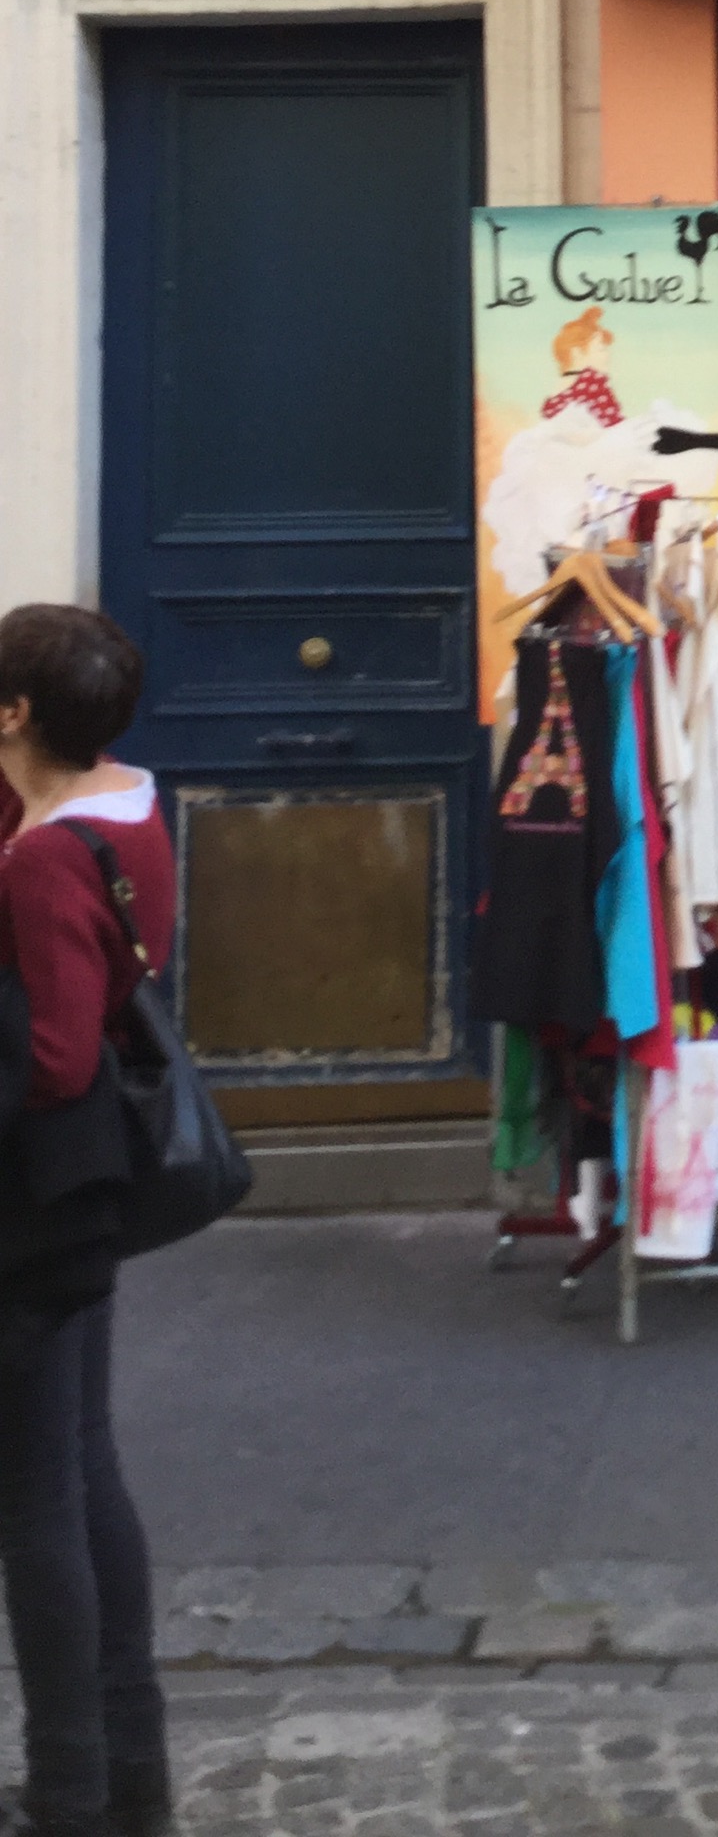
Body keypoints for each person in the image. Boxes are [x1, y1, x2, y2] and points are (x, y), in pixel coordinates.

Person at [0, 606, 175, 1836]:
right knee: (85, 1470)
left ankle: (70, 1792)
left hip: (38, 1199)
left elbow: (56, 1055)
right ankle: (129, 1777)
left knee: (35, 1503)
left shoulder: (45, 856)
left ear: (16, 713)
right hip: (91, 1186)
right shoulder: (124, 807)